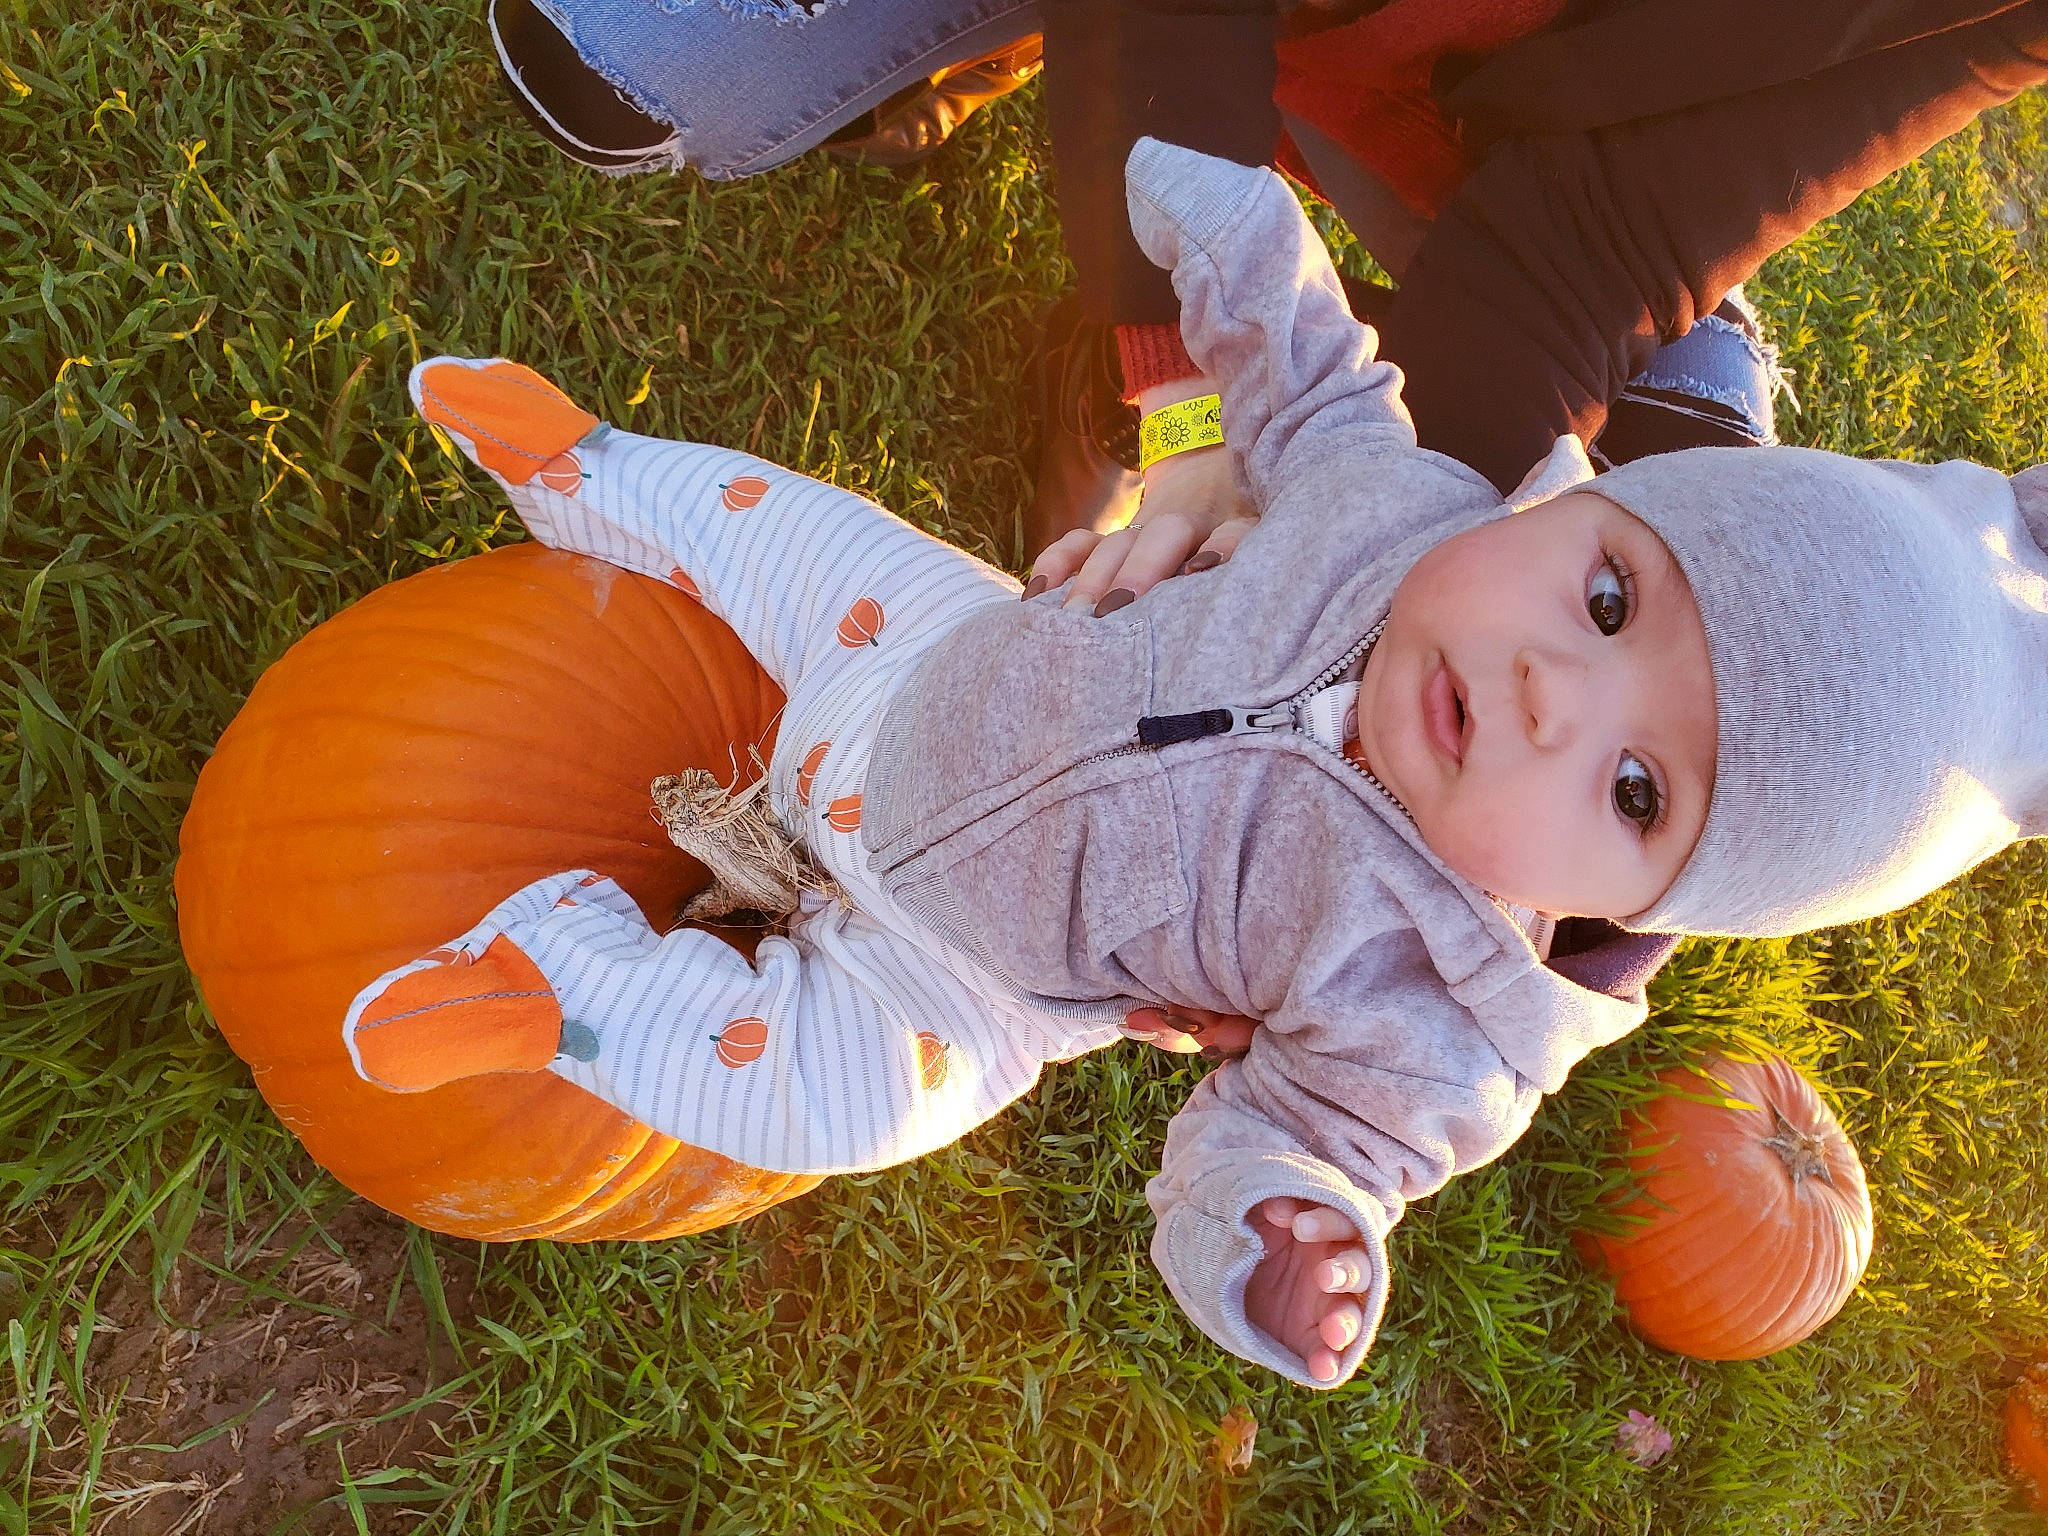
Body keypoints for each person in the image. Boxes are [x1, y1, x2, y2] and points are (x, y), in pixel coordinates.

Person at [339, 143, 2048, 1389]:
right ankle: (587, 466)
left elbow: (1277, 1142)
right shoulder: (1402, 511)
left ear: (1636, 913)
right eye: (1607, 597)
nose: (1547, 694)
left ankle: (551, 990)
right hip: (934, 659)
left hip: (966, 970)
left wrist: (1287, 1234)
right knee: (775, 535)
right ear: (1576, 503)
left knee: (824, 1093)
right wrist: (1240, 237)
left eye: (1634, 791)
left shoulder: (1448, 1029)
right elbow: (1311, 384)